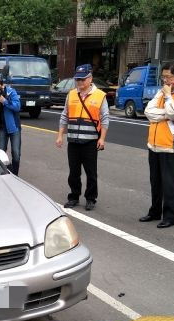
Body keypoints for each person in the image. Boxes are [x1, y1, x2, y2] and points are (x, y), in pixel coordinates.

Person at [140, 63, 174, 228]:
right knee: (155, 181)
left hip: (171, 145)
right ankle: (155, 211)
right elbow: (148, 112)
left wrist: (169, 101)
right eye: (163, 77)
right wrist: (166, 114)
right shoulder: (162, 91)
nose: (165, 80)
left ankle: (170, 216)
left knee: (170, 184)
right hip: (154, 144)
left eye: (169, 77)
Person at [55, 64, 109, 211]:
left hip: (90, 141)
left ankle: (91, 198)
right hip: (73, 140)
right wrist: (60, 135)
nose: (79, 82)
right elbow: (64, 115)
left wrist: (102, 138)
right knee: (74, 171)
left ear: (90, 78)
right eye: (77, 79)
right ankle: (74, 196)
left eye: (82, 79)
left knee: (91, 172)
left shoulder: (100, 96)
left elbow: (105, 119)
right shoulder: (71, 94)